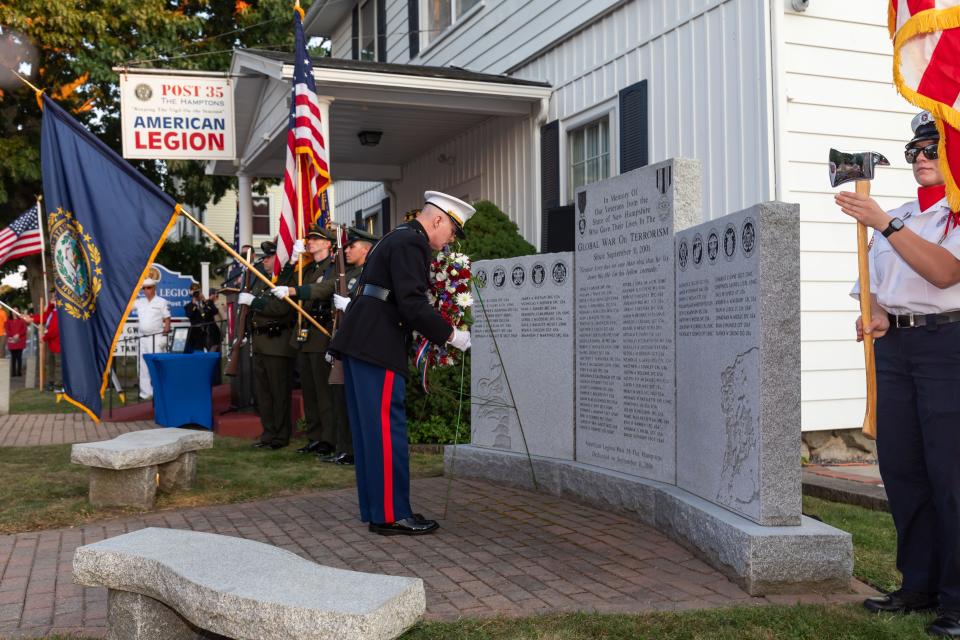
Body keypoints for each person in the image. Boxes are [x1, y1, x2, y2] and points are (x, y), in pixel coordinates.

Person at [836, 110, 960, 637]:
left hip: (948, 345)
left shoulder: (951, 214)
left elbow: (944, 272)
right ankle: (919, 583)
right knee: (903, 470)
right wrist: (877, 315)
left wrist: (883, 220)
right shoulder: (904, 213)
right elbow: (878, 287)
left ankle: (957, 600)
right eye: (914, 152)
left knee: (950, 475)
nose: (921, 158)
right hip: (899, 348)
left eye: (932, 149)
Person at [329, 191, 473, 536]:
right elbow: (411, 304)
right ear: (437, 219)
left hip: (363, 341)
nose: (450, 239)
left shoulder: (395, 236)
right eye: (452, 230)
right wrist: (452, 335)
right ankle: (392, 514)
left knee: (369, 434)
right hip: (378, 345)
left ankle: (378, 511)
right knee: (385, 433)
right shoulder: (413, 243)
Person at [274, 227, 377, 464]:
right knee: (332, 396)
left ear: (367, 249)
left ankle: (345, 448)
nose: (347, 250)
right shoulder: (347, 273)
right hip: (339, 341)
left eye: (352, 246)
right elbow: (324, 287)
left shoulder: (367, 273)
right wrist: (292, 289)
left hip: (357, 344)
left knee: (337, 398)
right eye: (347, 246)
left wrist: (350, 306)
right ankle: (341, 448)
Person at [271, 227, 338, 456]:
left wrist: (293, 290)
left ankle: (329, 439)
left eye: (316, 239)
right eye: (310, 238)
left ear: (328, 244)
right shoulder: (308, 268)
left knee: (323, 391)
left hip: (321, 332)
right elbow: (284, 281)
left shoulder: (333, 269)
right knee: (309, 391)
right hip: (305, 334)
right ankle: (314, 436)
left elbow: (320, 290)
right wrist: (291, 262)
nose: (310, 242)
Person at [238, 241, 297, 450]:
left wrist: (253, 302)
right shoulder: (261, 282)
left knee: (279, 393)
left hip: (278, 344)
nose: (264, 260)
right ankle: (268, 433)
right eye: (263, 257)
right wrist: (243, 332)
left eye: (269, 257)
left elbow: (279, 309)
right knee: (263, 393)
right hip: (261, 343)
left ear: (279, 258)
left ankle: (281, 436)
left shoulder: (284, 281)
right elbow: (250, 311)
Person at [133, 277, 171, 400]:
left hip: (156, 336)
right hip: (143, 338)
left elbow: (167, 318)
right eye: (144, 288)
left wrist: (165, 333)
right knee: (143, 365)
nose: (146, 290)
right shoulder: (140, 302)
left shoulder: (161, 301)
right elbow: (126, 304)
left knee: (157, 363)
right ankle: (146, 393)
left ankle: (159, 389)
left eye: (149, 288)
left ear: (154, 288)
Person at [184, 284, 222, 353]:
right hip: (197, 335)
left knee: (213, 356)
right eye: (195, 292)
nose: (197, 294)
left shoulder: (208, 303)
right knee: (199, 355)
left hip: (210, 334)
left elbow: (215, 311)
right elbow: (189, 315)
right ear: (191, 293)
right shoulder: (189, 306)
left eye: (198, 292)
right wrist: (194, 304)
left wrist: (205, 301)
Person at [5, 309, 26, 377]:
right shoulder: (8, 321)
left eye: (16, 310)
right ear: (11, 311)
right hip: (12, 340)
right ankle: (13, 372)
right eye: (13, 310)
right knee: (13, 357)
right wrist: (13, 336)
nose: (14, 312)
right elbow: (7, 329)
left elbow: (24, 329)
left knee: (19, 357)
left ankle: (19, 372)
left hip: (20, 340)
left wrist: (18, 335)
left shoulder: (22, 320)